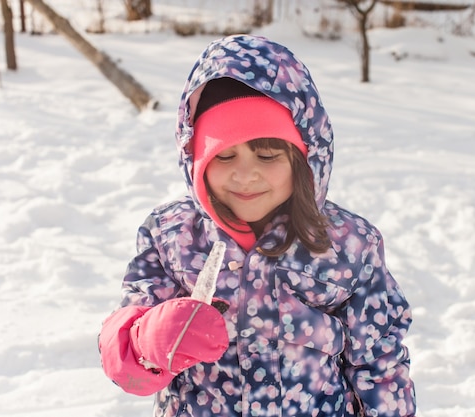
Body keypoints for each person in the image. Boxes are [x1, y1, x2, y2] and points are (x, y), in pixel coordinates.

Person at [98, 34, 416, 417]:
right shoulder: (173, 236)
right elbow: (124, 357)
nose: (244, 175)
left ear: (304, 157)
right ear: (195, 158)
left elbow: (380, 362)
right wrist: (149, 340)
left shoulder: (347, 245)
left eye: (267, 155)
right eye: (224, 155)